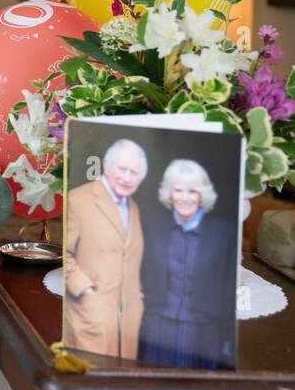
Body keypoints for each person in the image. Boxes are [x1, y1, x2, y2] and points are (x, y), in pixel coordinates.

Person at [137, 159, 236, 369]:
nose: (184, 198)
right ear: (169, 193)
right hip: (157, 326)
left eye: (192, 191)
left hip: (203, 331)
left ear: (203, 195)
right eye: (178, 190)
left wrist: (227, 335)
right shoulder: (151, 225)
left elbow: (229, 289)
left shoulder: (225, 232)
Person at [63, 138, 147, 359]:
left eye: (134, 172)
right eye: (122, 169)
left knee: (120, 387)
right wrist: (86, 291)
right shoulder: (79, 199)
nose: (127, 177)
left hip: (127, 319)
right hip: (91, 311)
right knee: (89, 383)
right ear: (107, 166)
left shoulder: (134, 208)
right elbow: (64, 253)